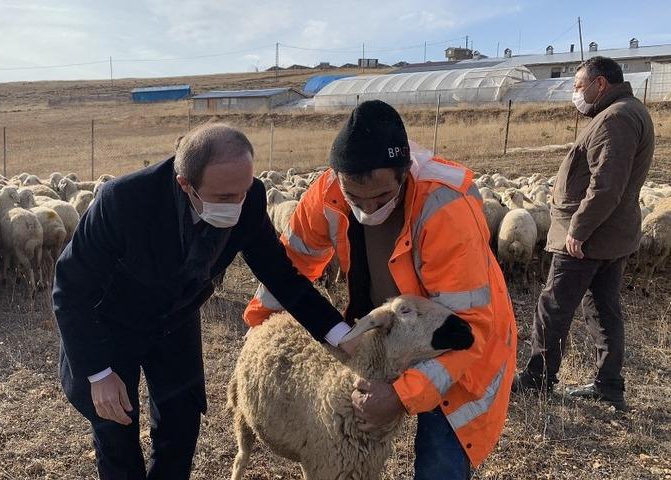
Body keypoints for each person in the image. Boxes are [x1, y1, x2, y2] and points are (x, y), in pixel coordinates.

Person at [52, 123, 356, 479]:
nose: (237, 204)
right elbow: (70, 288)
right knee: (116, 430)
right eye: (224, 198)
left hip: (176, 320)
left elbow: (282, 277)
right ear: (186, 185)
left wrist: (340, 334)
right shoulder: (124, 202)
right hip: (112, 324)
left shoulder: (250, 198)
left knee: (181, 427)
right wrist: (99, 373)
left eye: (242, 191)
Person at [244, 100, 517, 479]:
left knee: (440, 462)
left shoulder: (444, 206)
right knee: (351, 442)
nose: (367, 209)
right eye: (355, 198)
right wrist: (258, 324)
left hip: (451, 342)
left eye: (381, 198)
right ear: (337, 176)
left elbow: (470, 330)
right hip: (389, 333)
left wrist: (402, 396)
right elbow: (291, 266)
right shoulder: (326, 195)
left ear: (404, 174)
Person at [511, 56, 654, 411]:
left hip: (588, 238)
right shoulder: (627, 111)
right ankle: (609, 385)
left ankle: (538, 378)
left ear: (600, 84)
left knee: (553, 306)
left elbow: (606, 186)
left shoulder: (616, 118)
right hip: (611, 235)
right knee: (603, 308)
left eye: (578, 86)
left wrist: (578, 229)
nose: (575, 94)